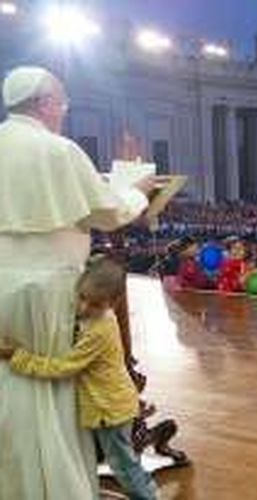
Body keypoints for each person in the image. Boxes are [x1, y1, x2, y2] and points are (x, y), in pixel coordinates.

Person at [0, 66, 156, 499]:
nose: (63, 112)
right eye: (62, 104)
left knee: (8, 381)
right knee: (49, 390)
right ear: (46, 102)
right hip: (46, 288)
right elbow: (110, 212)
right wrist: (139, 189)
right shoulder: (58, 150)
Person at [0, 258, 158, 500]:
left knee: (125, 468)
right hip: (111, 405)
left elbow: (65, 367)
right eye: (81, 297)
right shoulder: (97, 319)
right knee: (123, 462)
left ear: (112, 303)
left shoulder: (99, 330)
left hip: (110, 411)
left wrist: (18, 357)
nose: (84, 308)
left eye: (94, 304)